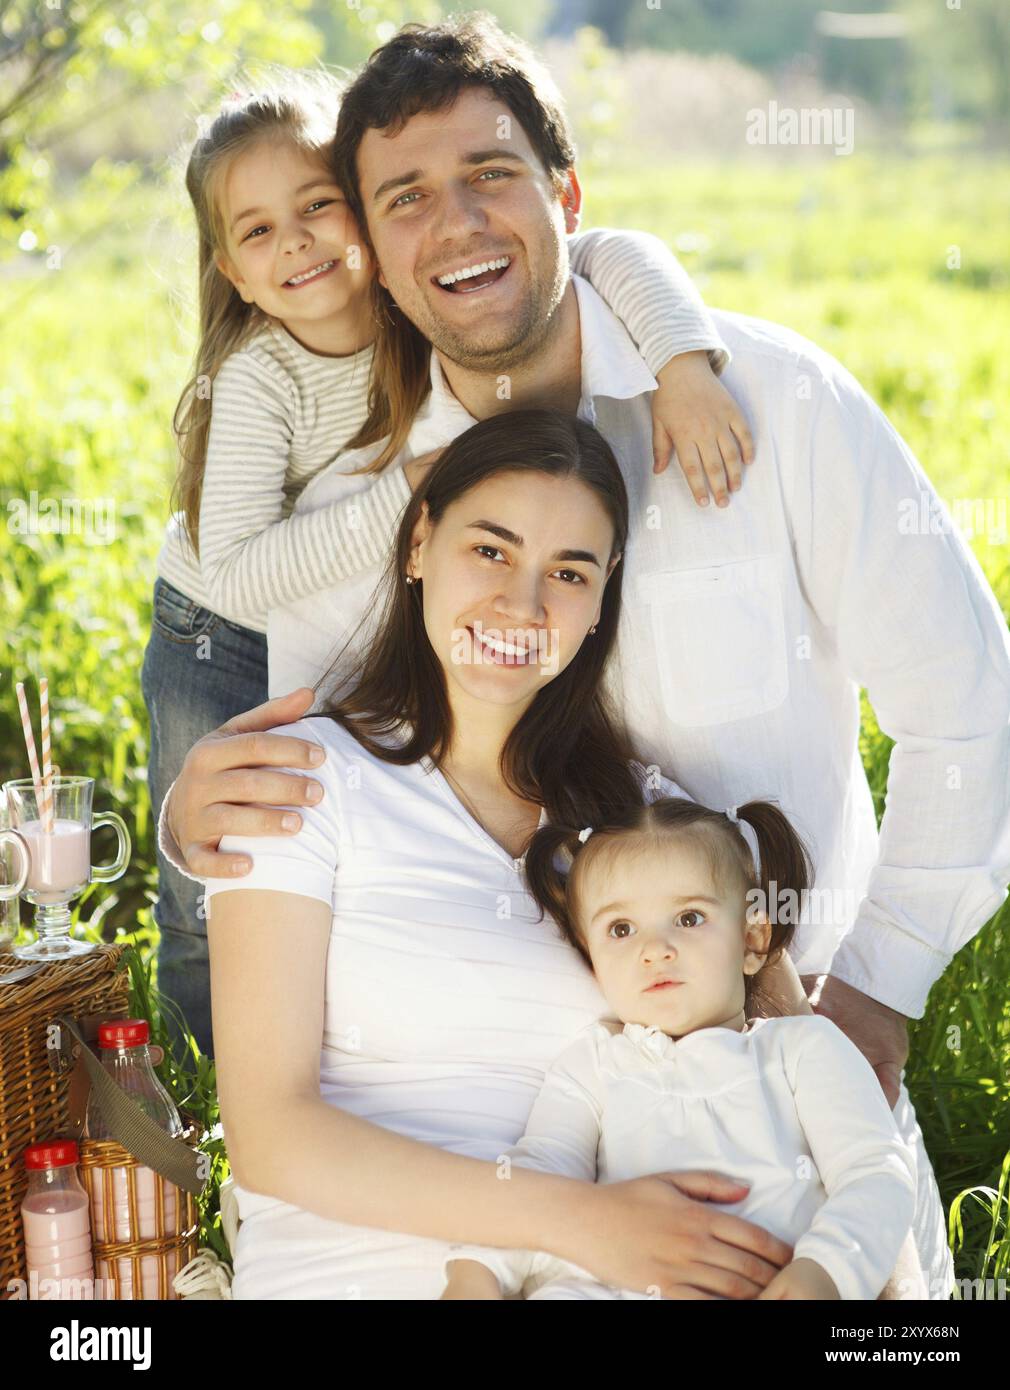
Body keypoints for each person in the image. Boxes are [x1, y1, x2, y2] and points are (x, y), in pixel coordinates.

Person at [159, 16, 1010, 1298]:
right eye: (404, 200)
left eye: (490, 175)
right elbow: (331, 769)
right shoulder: (373, 494)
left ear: (566, 194)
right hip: (549, 1185)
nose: (455, 225)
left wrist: (874, 997)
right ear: (374, 258)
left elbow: (970, 709)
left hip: (797, 1104)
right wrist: (195, 815)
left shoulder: (765, 400)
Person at [142, 65, 751, 1060]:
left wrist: (683, 360)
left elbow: (609, 252)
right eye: (257, 232)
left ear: (372, 234)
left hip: (332, 603)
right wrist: (406, 489)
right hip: (217, 633)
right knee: (215, 872)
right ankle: (211, 1088)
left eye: (318, 208)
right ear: (234, 272)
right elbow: (243, 575)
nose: (296, 244)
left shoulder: (416, 301)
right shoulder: (257, 378)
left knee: (335, 834)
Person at [201, 409, 807, 1299]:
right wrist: (584, 1220)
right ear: (419, 543)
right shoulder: (304, 780)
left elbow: (783, 1057)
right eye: (491, 550)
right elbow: (272, 1134)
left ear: (602, 601)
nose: (522, 606)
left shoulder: (647, 823)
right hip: (351, 1272)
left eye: (568, 572)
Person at [441, 797, 920, 1301]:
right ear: (591, 958)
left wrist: (824, 1273)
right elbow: (543, 1172)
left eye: (689, 918)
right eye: (621, 929)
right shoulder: (596, 1066)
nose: (655, 949)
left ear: (754, 940)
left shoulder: (802, 1050)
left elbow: (875, 1172)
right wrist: (476, 1267)